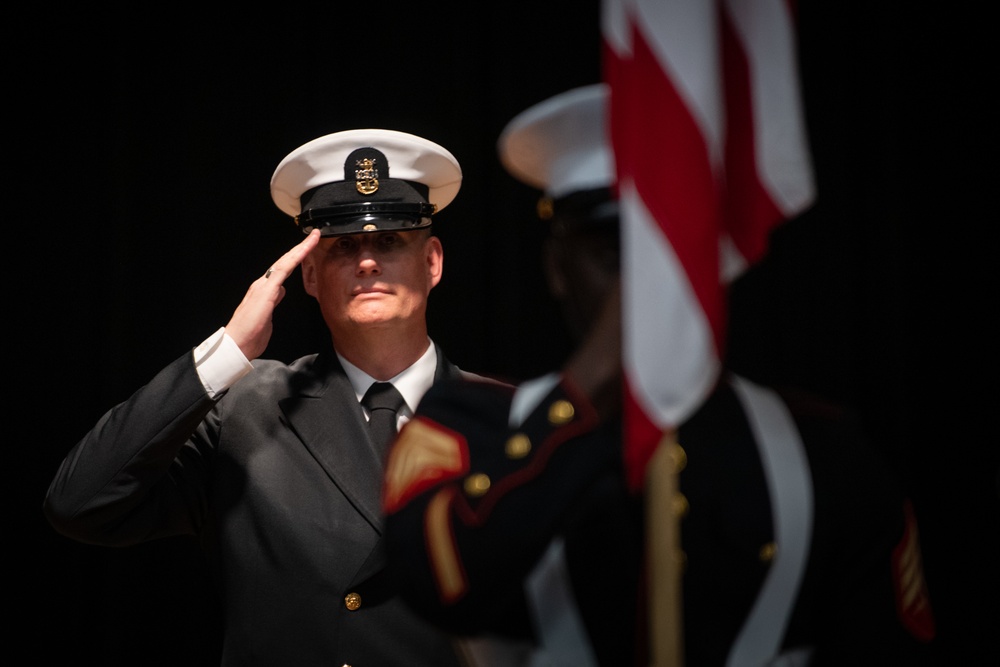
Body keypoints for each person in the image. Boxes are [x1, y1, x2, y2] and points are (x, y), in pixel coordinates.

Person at [381, 85, 938, 666]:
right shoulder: (469, 431)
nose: (650, 281)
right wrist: (596, 378)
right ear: (558, 269)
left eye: (677, 250)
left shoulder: (826, 449)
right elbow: (440, 583)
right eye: (616, 254)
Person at [43, 128, 483, 666]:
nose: (368, 262)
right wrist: (227, 351)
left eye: (390, 240)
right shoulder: (247, 408)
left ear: (432, 261)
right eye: (344, 245)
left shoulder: (502, 418)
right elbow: (81, 503)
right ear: (312, 275)